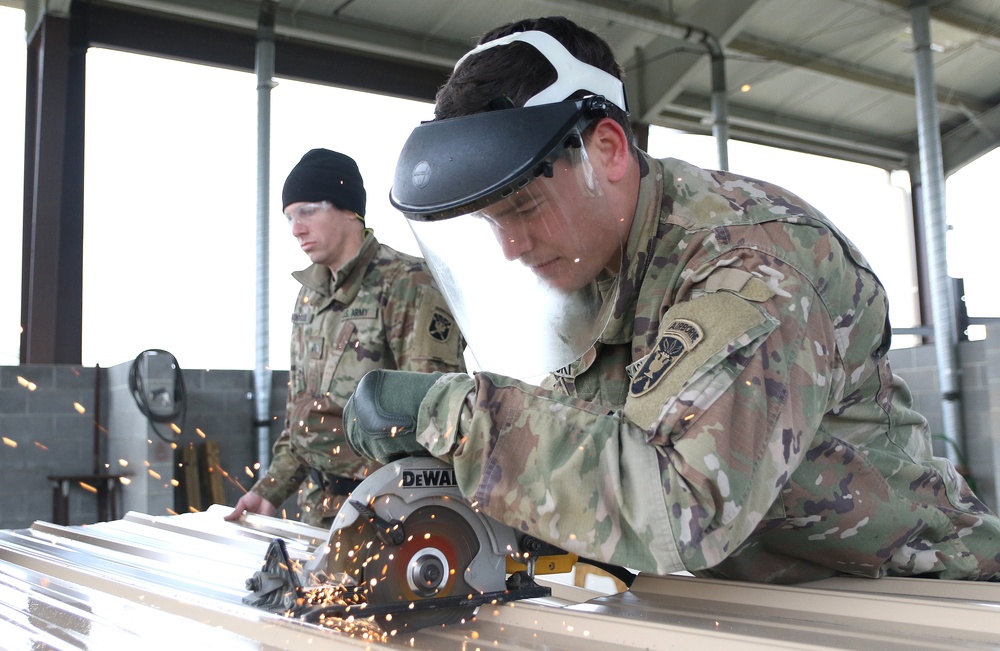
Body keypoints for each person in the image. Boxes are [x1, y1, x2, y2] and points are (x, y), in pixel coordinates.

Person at [342, 16, 1000, 582]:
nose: (511, 246)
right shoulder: (594, 268)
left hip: (915, 595)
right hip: (757, 596)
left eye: (524, 207)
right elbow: (582, 440)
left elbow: (681, 505)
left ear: (608, 149)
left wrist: (457, 415)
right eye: (492, 222)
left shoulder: (748, 267)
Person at [226, 148, 466, 528]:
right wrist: (268, 491)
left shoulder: (407, 283)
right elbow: (300, 416)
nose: (295, 228)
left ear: (350, 210)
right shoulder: (311, 295)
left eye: (307, 211)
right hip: (317, 511)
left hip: (384, 514)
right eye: (289, 216)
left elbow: (433, 419)